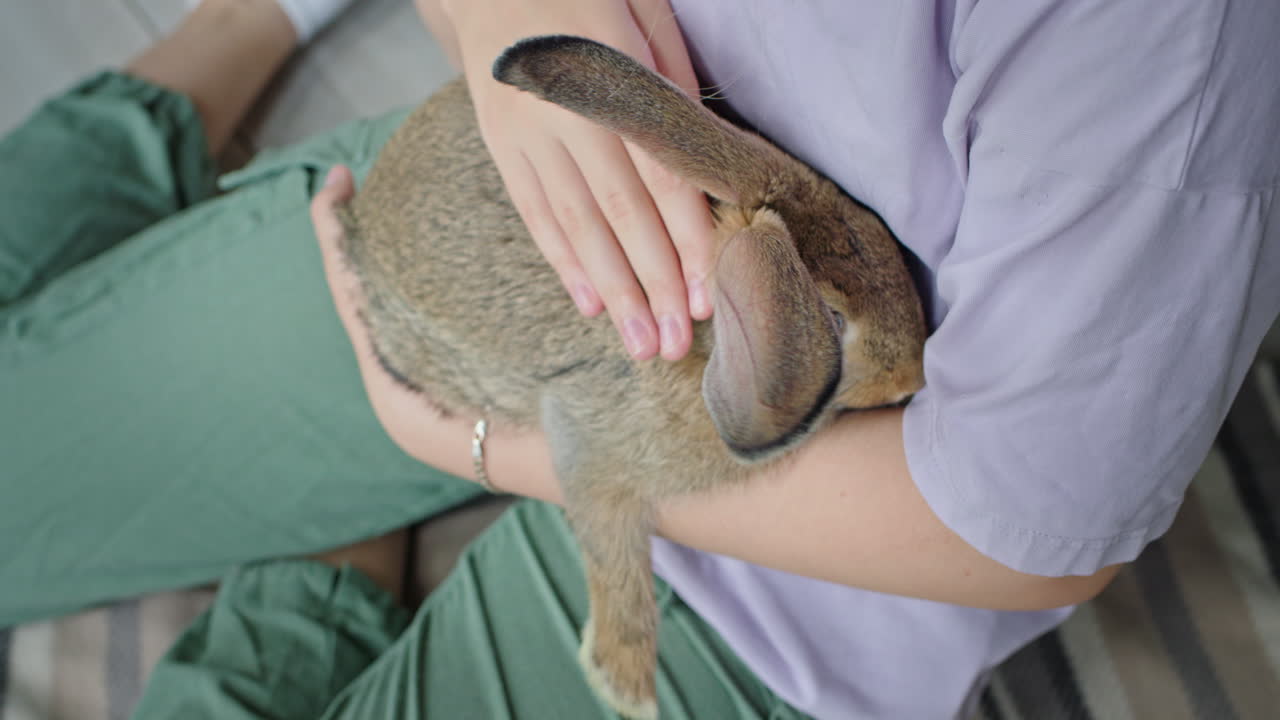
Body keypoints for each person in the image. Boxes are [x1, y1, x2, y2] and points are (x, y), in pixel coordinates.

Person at [2, 1, 1276, 719]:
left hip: (799, 574)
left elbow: (1019, 522)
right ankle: (249, 22)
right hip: (524, 209)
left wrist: (474, 447)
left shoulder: (1165, 41)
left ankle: (331, 555)